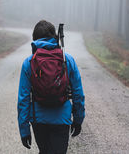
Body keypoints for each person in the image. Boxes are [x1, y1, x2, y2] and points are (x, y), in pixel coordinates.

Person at [17, 20, 85, 154]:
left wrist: (24, 130)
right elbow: (78, 93)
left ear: (35, 38)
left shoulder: (29, 63)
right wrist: (78, 120)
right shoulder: (67, 60)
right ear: (54, 37)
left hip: (39, 120)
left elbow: (23, 100)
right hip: (62, 120)